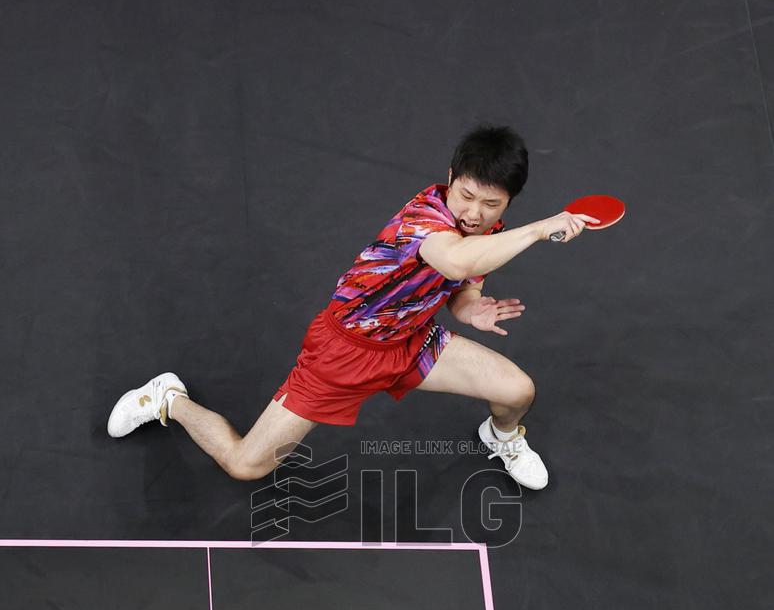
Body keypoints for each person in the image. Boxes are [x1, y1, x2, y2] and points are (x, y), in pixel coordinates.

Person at [107, 124, 594, 490]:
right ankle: (168, 399)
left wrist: (471, 311)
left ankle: (501, 438)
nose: (473, 213)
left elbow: (462, 284)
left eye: (491, 205)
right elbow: (451, 261)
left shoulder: (486, 232)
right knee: (244, 465)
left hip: (411, 340)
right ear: (450, 178)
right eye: (465, 196)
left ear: (508, 202)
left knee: (517, 391)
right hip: (345, 349)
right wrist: (534, 230)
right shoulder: (425, 218)